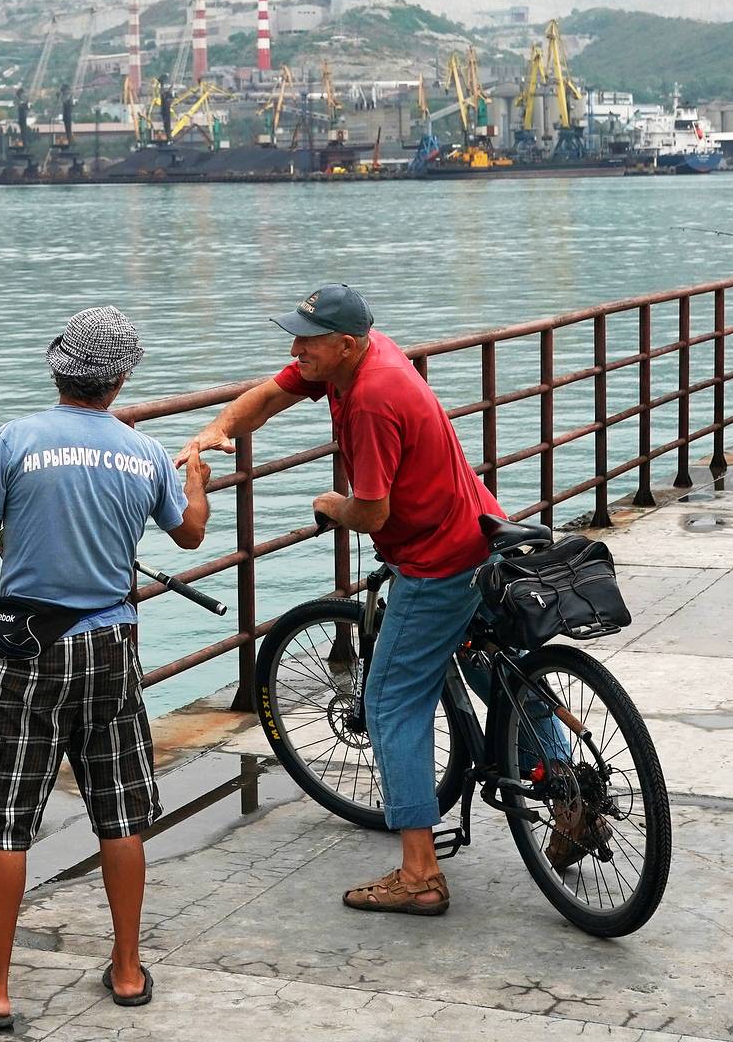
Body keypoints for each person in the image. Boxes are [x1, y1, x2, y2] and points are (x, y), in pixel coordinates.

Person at [177, 283, 577, 917]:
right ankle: (571, 798)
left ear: (344, 343)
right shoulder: (363, 355)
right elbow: (275, 392)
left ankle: (420, 874)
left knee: (391, 702)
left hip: (434, 563)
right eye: (295, 335)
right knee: (499, 673)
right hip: (477, 530)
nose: (295, 347)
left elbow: (371, 511)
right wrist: (218, 429)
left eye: (307, 339)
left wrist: (330, 504)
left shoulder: (369, 399)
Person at [0, 306, 209, 1031]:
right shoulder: (143, 454)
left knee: (7, 818)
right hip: (111, 643)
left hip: (27, 651)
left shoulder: (14, 441)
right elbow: (189, 534)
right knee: (119, 809)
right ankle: (123, 968)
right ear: (118, 381)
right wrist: (200, 482)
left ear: (58, 369)